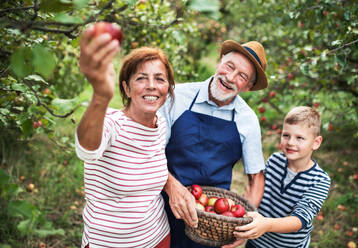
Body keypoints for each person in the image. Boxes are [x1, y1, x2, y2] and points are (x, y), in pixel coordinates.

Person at [158, 40, 268, 248]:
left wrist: (245, 221)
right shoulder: (177, 97)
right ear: (220, 61)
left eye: (242, 76)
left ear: (249, 86)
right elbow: (150, 152)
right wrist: (172, 187)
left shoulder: (247, 119)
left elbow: (256, 178)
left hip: (211, 220)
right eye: (229, 66)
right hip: (161, 205)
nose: (230, 77)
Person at [75, 26, 175, 248]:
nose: (151, 85)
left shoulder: (161, 125)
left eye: (160, 79)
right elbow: (86, 150)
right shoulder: (111, 123)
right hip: (108, 243)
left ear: (167, 89)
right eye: (141, 78)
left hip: (157, 237)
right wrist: (101, 96)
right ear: (126, 88)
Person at [228, 106, 331, 248]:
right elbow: (258, 191)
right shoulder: (274, 161)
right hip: (257, 241)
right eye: (286, 135)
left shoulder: (319, 181)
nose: (290, 142)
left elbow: (300, 220)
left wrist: (267, 224)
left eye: (299, 138)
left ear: (316, 142)